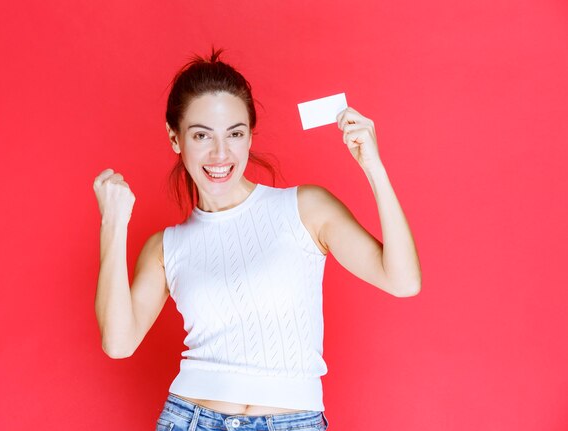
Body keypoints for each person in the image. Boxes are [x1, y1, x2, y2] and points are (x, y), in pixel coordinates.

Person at [92, 48, 421, 431]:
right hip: (190, 419)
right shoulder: (166, 247)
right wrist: (113, 224)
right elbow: (118, 343)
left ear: (250, 136)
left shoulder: (306, 208)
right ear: (175, 138)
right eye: (201, 135)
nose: (220, 153)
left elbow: (403, 281)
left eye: (235, 134)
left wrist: (374, 167)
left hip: (293, 421)